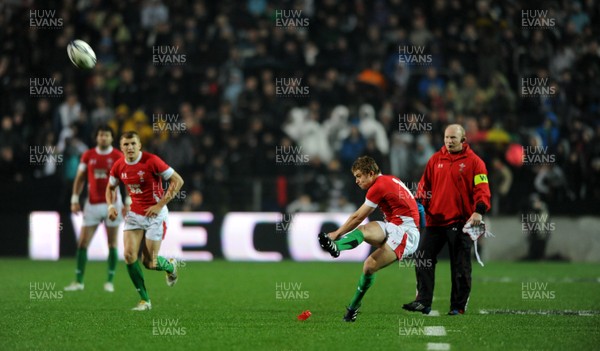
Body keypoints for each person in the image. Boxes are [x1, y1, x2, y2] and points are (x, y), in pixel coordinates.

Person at [318, 156, 421, 322]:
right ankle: (337, 247)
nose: (357, 181)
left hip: (406, 234)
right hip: (393, 226)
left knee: (369, 265)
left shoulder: (379, 186)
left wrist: (337, 233)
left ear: (370, 173)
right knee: (364, 230)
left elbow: (358, 216)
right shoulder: (390, 179)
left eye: (359, 176)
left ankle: (352, 307)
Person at [403, 124, 491, 316]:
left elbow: (482, 190)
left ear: (463, 140)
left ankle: (457, 306)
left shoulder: (475, 163)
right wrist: (418, 205)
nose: (449, 141)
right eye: (446, 137)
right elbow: (424, 187)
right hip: (435, 221)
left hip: (460, 222)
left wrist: (479, 211)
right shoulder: (435, 160)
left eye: (453, 138)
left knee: (460, 265)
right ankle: (423, 301)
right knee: (423, 258)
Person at [106, 131, 184, 311]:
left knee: (149, 262)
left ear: (139, 145)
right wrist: (111, 206)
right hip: (134, 214)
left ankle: (170, 266)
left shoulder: (151, 161)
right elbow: (110, 187)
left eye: (133, 143)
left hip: (156, 215)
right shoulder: (119, 166)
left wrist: (159, 205)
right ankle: (144, 300)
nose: (130, 147)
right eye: (126, 144)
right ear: (121, 147)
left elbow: (178, 181)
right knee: (128, 255)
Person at [64, 125, 127, 293]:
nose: (103, 138)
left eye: (106, 135)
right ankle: (78, 281)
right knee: (83, 243)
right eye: (101, 135)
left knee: (112, 243)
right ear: (96, 137)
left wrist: (128, 201)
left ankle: (110, 281)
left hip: (113, 205)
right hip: (92, 204)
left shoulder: (118, 156)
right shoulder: (88, 155)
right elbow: (80, 178)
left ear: (112, 138)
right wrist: (74, 199)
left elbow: (127, 179)